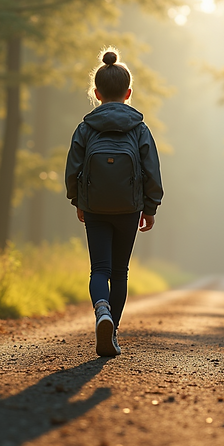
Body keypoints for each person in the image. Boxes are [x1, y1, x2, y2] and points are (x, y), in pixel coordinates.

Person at [64, 49, 163, 357]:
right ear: (129, 93)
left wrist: (77, 200)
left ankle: (101, 311)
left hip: (94, 206)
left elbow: (72, 169)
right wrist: (151, 207)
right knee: (119, 271)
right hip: (129, 206)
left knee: (99, 269)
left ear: (96, 93)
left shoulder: (85, 128)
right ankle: (112, 331)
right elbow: (151, 170)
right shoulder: (140, 128)